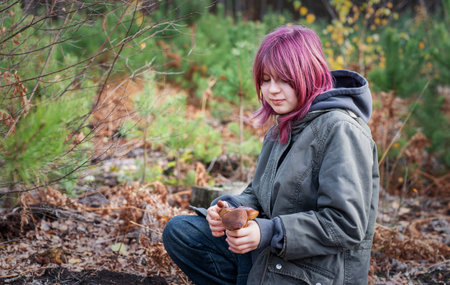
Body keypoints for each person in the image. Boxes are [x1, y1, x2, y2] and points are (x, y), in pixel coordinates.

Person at [163, 25, 380, 285]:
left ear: (309, 74)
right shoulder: (283, 127)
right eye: (265, 80)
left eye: (284, 79)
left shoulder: (341, 130)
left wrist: (268, 232)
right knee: (181, 232)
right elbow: (258, 194)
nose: (272, 90)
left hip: (315, 274)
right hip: (272, 258)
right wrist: (229, 211)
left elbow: (345, 224)